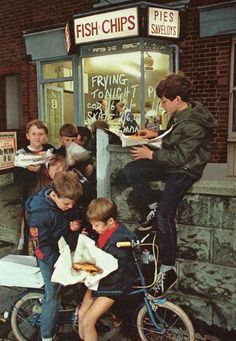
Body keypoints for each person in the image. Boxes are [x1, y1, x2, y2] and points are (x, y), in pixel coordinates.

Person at [123, 72, 218, 297]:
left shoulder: (194, 123)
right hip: (173, 163)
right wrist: (155, 135)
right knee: (131, 170)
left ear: (177, 99)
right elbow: (174, 139)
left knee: (166, 216)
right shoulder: (182, 114)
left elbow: (180, 158)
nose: (162, 105)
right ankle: (154, 207)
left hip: (185, 170)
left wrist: (150, 154)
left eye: (165, 101)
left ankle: (168, 270)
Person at [25, 171, 84, 341]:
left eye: (73, 203)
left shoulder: (61, 201)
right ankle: (46, 336)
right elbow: (39, 247)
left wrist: (71, 224)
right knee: (53, 295)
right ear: (53, 195)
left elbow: (61, 219)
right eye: (66, 204)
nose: (70, 207)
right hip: (45, 252)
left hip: (59, 244)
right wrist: (58, 264)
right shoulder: (39, 213)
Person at [77, 198, 137, 341]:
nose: (94, 228)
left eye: (96, 225)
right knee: (81, 313)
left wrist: (89, 273)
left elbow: (117, 274)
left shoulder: (119, 244)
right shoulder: (107, 231)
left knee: (87, 321)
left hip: (112, 284)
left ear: (110, 221)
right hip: (100, 279)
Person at [14, 119, 54, 251]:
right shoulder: (21, 153)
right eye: (34, 134)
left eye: (41, 134)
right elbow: (18, 177)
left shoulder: (50, 149)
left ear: (46, 135)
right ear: (27, 135)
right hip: (30, 192)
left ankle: (48, 244)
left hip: (47, 191)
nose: (37, 137)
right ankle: (28, 246)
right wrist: (28, 170)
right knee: (30, 219)